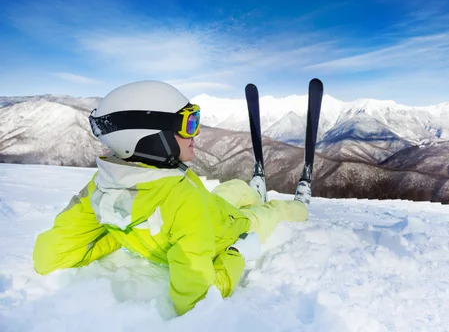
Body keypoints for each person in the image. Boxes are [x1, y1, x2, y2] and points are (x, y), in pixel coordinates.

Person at [32, 80, 309, 316]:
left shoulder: (101, 187)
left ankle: (253, 189)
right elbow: (195, 299)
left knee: (234, 187)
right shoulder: (184, 200)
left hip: (208, 207)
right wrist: (236, 254)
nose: (196, 133)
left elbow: (47, 257)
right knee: (273, 211)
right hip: (226, 224)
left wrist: (119, 230)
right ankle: (298, 205)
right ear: (152, 136)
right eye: (189, 124)